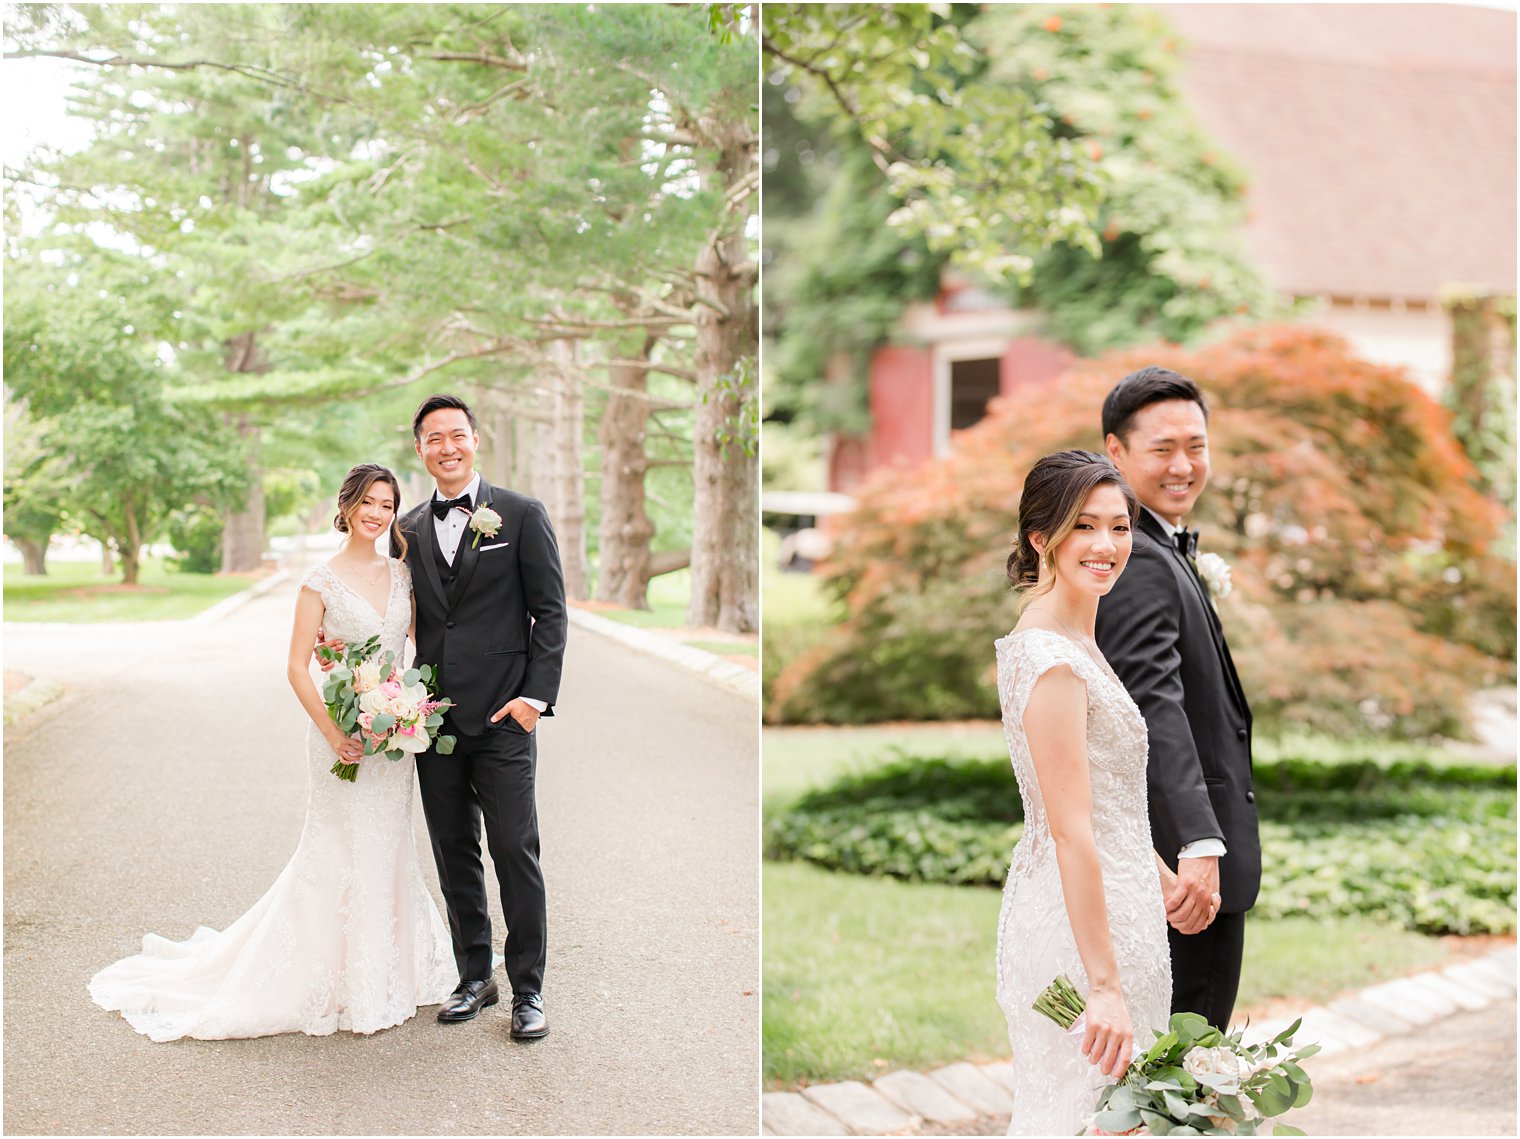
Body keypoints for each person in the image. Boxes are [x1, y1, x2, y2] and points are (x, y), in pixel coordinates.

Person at [89, 464, 458, 1041]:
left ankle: (387, 972)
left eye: (387, 505)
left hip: (391, 739)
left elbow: (414, 645)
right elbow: (296, 665)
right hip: (339, 736)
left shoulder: (403, 575)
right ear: (347, 506)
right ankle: (327, 980)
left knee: (387, 845)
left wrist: (406, 705)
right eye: (368, 501)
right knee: (340, 847)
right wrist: (336, 731)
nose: (378, 514)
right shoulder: (320, 581)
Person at [339, 393, 568, 1041]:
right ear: (419, 449)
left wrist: (533, 698)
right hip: (431, 720)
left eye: (457, 435)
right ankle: (475, 974)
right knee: (453, 852)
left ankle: (529, 989)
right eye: (433, 437)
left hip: (504, 716)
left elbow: (549, 611)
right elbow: (391, 616)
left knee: (514, 850)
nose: (447, 446)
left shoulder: (520, 514)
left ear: (474, 440)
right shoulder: (404, 528)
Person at [995, 449, 1179, 1136]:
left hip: (1118, 911)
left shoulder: (1075, 636)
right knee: (1083, 1116)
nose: (1107, 545)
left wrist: (1158, 874)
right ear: (1041, 538)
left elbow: (1103, 800)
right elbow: (1069, 828)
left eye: (1120, 526)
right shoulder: (1051, 658)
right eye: (1084, 527)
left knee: (1110, 1117)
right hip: (1080, 938)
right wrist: (1102, 985)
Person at [1095, 367, 1260, 1032]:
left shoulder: (1157, 544)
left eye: (1196, 445)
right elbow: (1151, 707)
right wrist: (1198, 840)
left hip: (1177, 861)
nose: (1184, 465)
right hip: (1181, 874)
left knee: (1167, 1071)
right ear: (1116, 453)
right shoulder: (1135, 554)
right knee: (1178, 1075)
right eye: (1162, 448)